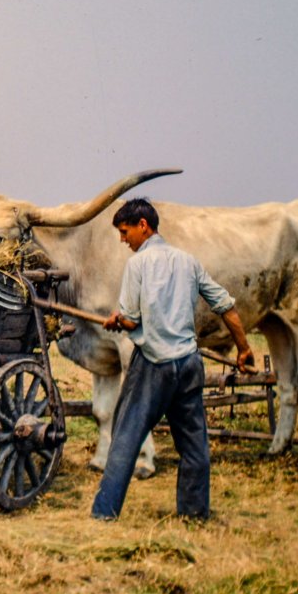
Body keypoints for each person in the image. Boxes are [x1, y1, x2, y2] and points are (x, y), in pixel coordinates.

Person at [91, 197, 254, 522]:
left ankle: (104, 514)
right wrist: (243, 348)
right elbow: (226, 305)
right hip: (188, 364)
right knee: (194, 444)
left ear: (143, 226)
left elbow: (132, 320)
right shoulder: (188, 261)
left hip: (154, 364)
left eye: (125, 232)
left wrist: (116, 320)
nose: (123, 240)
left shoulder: (137, 265)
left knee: (124, 440)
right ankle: (194, 514)